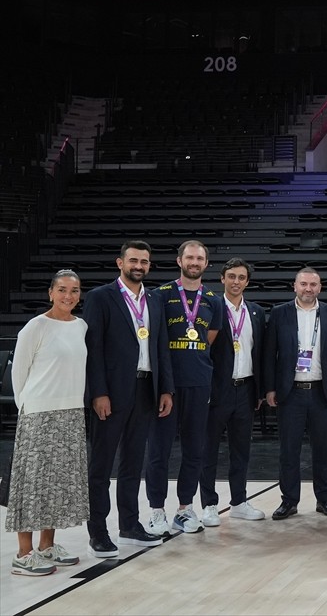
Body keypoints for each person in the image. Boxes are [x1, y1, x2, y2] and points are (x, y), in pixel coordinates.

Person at [82, 240, 174, 558]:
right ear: (120, 262)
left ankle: (130, 526)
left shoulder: (155, 300)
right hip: (112, 392)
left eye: (144, 261)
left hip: (146, 389)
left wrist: (166, 389)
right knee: (101, 465)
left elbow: (161, 347)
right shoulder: (100, 297)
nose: (139, 265)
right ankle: (98, 531)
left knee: (134, 462)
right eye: (133, 260)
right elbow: (93, 351)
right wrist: (99, 392)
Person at [7, 270, 89, 576]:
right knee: (31, 484)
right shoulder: (35, 326)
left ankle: (47, 546)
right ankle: (23, 554)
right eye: (63, 290)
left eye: (75, 290)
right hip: (39, 414)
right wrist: (27, 409)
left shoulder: (81, 326)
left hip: (71, 411)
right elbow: (19, 375)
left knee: (56, 484)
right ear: (50, 293)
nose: (69, 296)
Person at [146, 240, 224, 536]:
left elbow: (208, 338)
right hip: (166, 385)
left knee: (195, 450)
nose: (194, 262)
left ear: (206, 263)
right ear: (179, 260)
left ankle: (184, 509)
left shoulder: (213, 301)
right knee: (159, 451)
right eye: (189, 257)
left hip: (199, 382)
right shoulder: (160, 295)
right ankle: (155, 511)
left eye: (200, 258)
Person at [263, 267, 327, 520]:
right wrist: (270, 388)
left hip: (322, 391)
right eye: (304, 284)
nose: (308, 289)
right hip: (291, 392)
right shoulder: (279, 313)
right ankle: (289, 501)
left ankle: (324, 499)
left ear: (320, 288)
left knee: (323, 450)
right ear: (294, 286)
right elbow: (269, 354)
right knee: (289, 451)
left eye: (313, 284)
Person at [199, 257, 268, 527]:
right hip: (218, 389)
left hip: (246, 388)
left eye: (241, 277)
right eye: (231, 277)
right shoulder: (211, 306)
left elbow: (259, 353)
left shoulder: (256, 312)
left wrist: (260, 390)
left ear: (247, 282)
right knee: (210, 450)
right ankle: (209, 504)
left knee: (242, 450)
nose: (236, 282)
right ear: (222, 279)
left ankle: (239, 501)